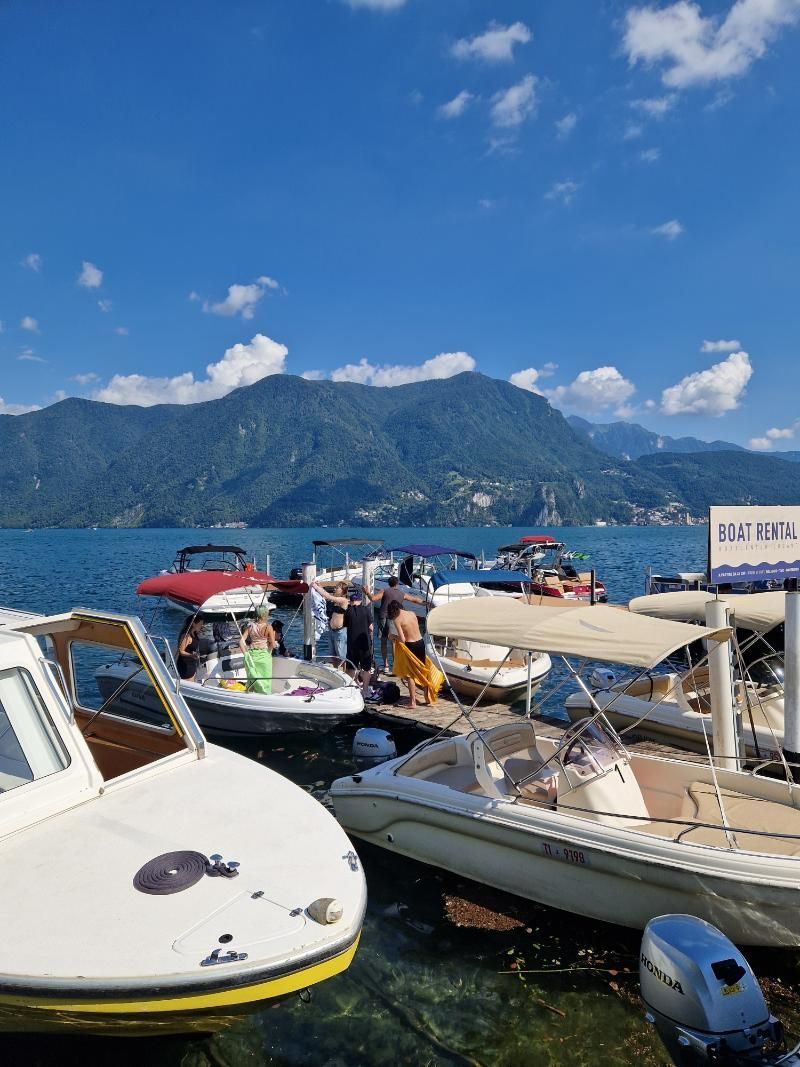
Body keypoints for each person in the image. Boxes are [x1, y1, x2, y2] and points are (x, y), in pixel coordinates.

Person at [386, 600, 444, 708]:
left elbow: (403, 639)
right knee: (423, 671)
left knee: (410, 675)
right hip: (420, 643)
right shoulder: (412, 613)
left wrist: (392, 636)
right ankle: (428, 699)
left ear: (393, 611)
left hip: (411, 646)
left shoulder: (397, 619)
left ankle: (412, 702)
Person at [363, 576, 424, 671]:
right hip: (395, 619)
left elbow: (373, 599)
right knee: (394, 642)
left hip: (383, 617)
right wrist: (426, 603)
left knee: (383, 641)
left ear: (389, 583)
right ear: (397, 584)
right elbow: (414, 600)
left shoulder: (384, 591)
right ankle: (395, 665)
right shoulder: (401, 594)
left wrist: (366, 592)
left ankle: (386, 665)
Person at [239, 605, 276, 694]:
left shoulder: (250, 626)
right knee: (265, 679)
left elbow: (240, 641)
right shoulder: (268, 627)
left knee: (252, 679)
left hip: (252, 655)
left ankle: (250, 694)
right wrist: (269, 651)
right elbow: (273, 645)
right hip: (264, 656)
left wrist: (246, 654)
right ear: (264, 615)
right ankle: (265, 695)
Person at [343, 589, 373, 697]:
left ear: (351, 601)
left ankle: (354, 687)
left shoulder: (348, 611)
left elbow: (345, 625)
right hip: (365, 644)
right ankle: (365, 690)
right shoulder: (366, 610)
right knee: (366, 668)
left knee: (351, 667)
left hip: (352, 644)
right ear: (360, 601)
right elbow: (371, 628)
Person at [314, 581, 349, 669]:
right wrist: (319, 586)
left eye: (337, 588)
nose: (335, 589)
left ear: (343, 590)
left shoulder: (344, 601)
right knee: (333, 655)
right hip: (331, 631)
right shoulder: (335, 600)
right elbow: (326, 596)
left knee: (341, 655)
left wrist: (316, 587)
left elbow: (328, 596)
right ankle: (336, 670)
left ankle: (344, 672)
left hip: (340, 632)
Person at [177, 615, 205, 681]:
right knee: (189, 684)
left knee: (192, 682)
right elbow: (181, 651)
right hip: (185, 665)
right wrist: (192, 655)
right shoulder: (186, 636)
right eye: (200, 624)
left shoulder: (194, 633)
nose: (202, 625)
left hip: (192, 662)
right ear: (193, 624)